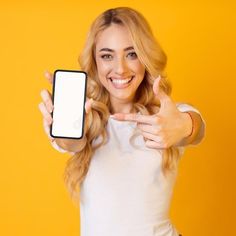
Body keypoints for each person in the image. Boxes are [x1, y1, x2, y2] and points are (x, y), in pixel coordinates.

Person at [38, 7, 205, 236]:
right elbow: (70, 143)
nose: (120, 69)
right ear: (95, 62)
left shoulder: (165, 117)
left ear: (145, 57)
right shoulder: (84, 119)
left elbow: (196, 127)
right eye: (107, 55)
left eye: (132, 53)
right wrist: (67, 133)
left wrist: (185, 125)